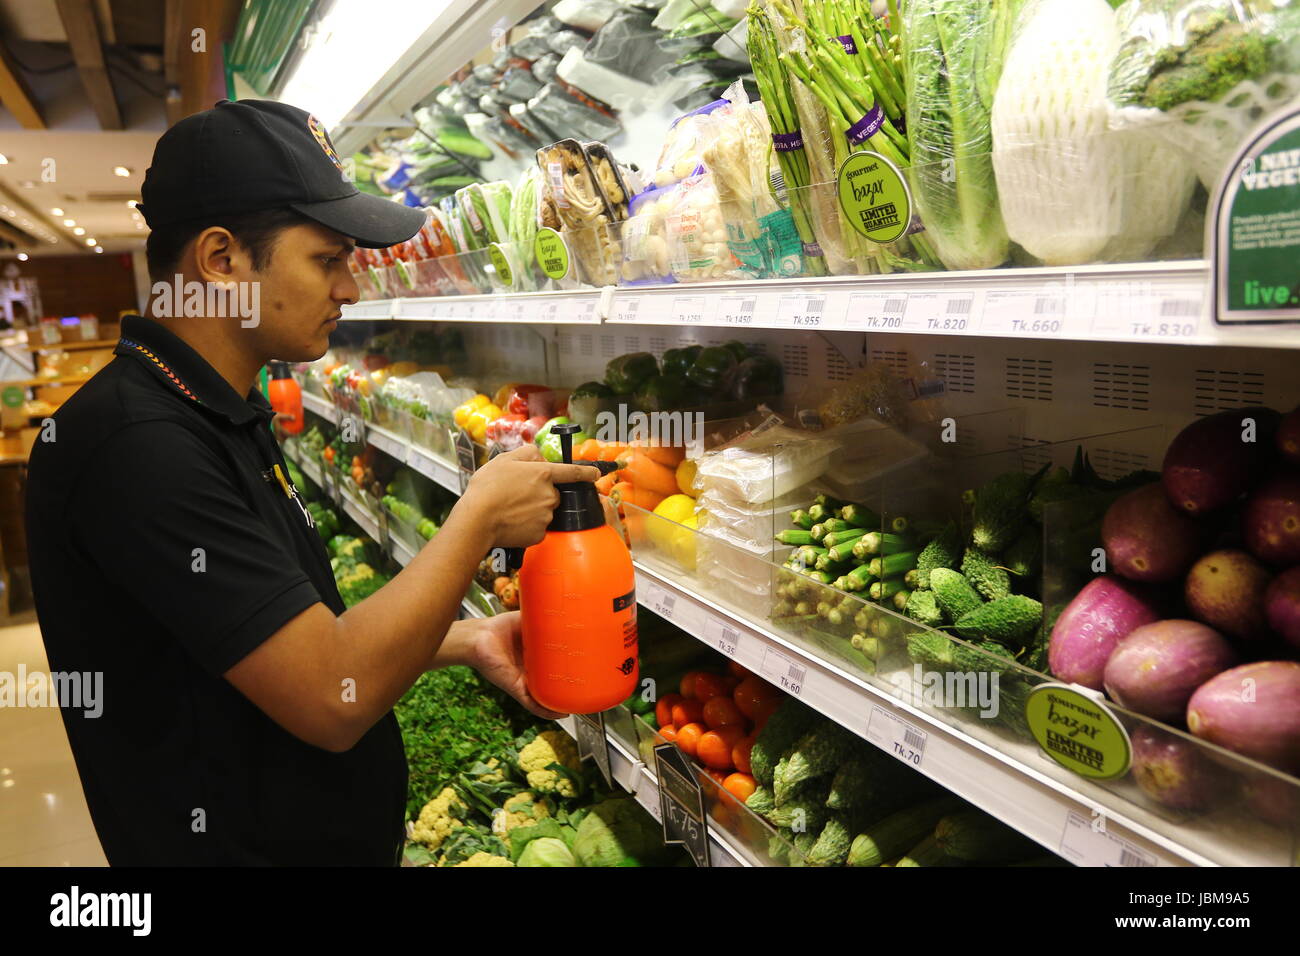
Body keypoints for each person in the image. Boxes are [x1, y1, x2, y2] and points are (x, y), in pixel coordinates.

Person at [23, 99, 599, 866]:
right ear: (222, 260)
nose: (352, 290)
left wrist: (462, 638)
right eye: (328, 260)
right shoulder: (139, 446)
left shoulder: (213, 407)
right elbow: (330, 697)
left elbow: (268, 646)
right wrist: (477, 520)